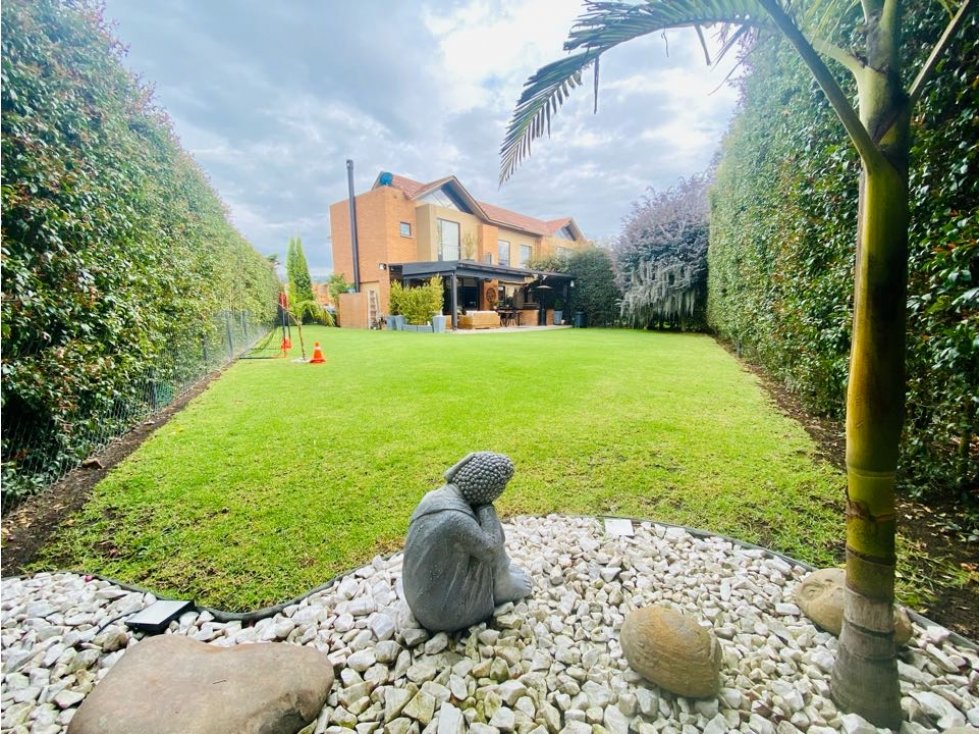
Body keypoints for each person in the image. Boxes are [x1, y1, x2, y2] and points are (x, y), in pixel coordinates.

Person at [402, 452, 532, 631]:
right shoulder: (457, 519)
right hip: (443, 614)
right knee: (489, 534)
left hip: (419, 598)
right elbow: (492, 553)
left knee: (479, 534)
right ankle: (502, 584)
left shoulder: (433, 497)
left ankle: (504, 577)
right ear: (490, 490)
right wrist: (487, 508)